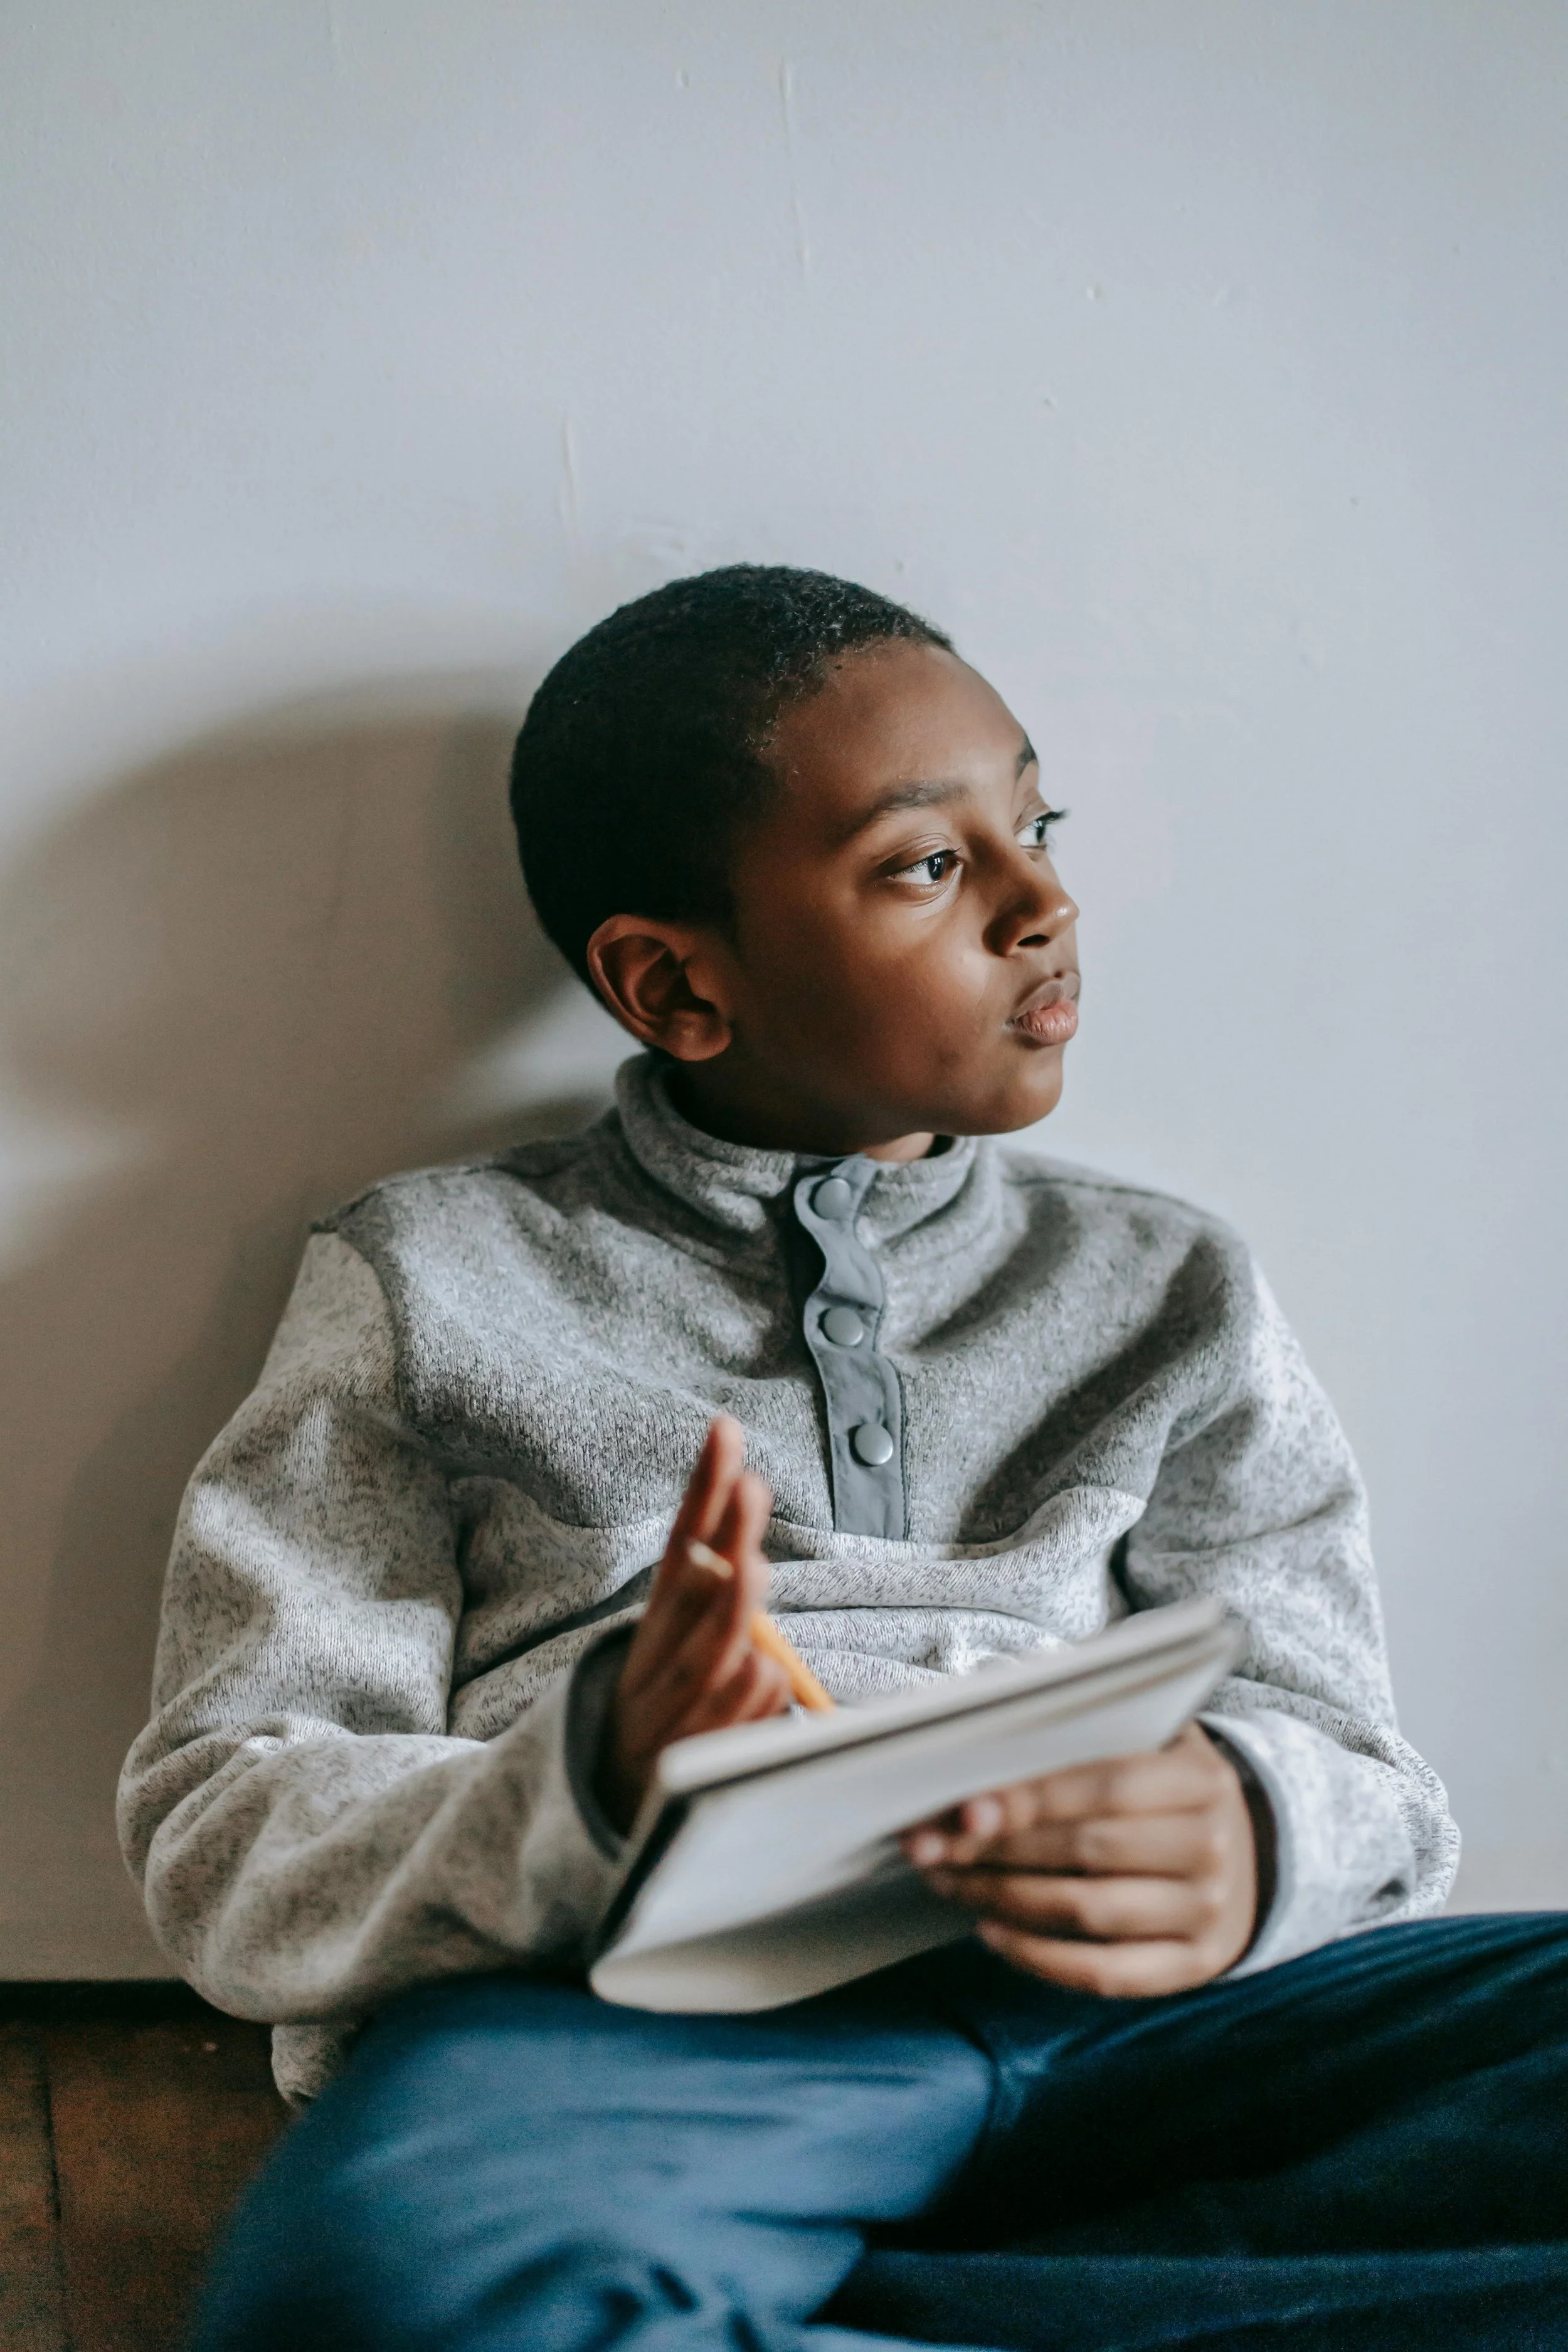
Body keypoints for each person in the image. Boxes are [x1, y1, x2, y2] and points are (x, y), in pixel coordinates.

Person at [119, 567, 1567, 2350]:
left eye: (1031, 823)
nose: (1044, 901)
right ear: (677, 984)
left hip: (1148, 2025)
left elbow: (1368, 1770)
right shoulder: (426, 1278)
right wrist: (594, 1787)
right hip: (634, 2039)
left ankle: (821, 2304)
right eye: (925, 865)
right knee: (371, 2303)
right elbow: (230, 1831)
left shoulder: (1168, 1283)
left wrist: (1250, 1827)